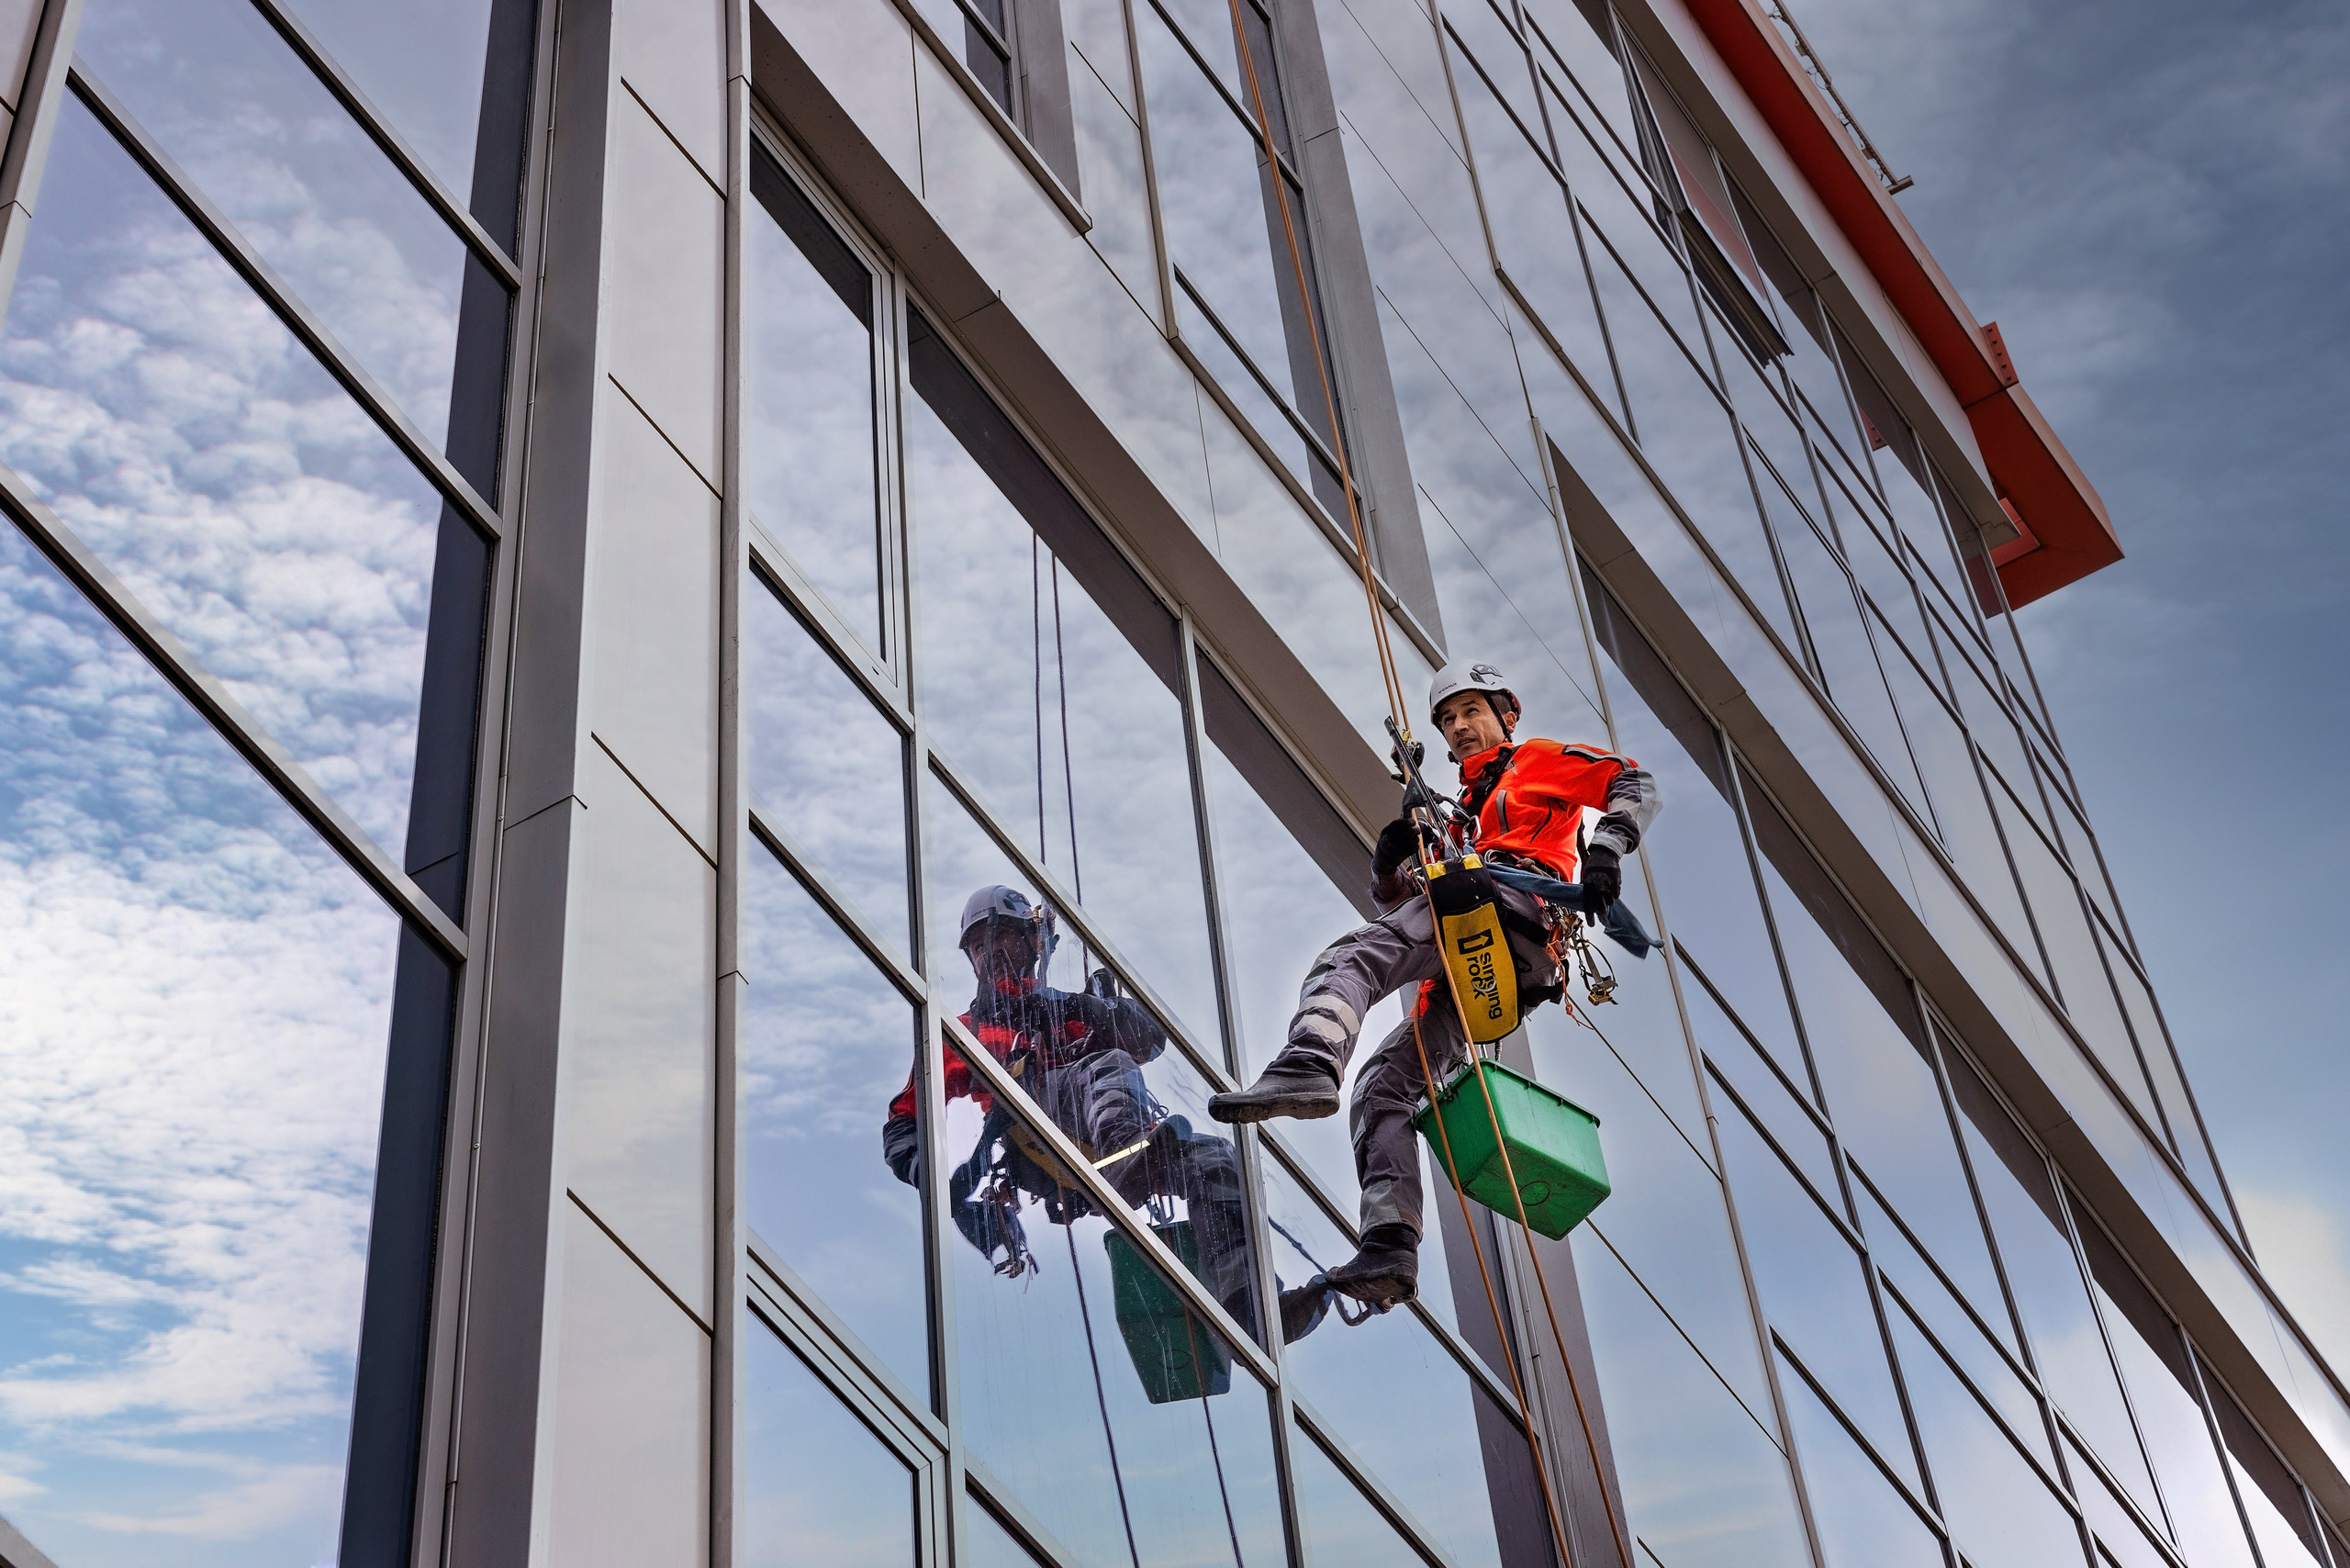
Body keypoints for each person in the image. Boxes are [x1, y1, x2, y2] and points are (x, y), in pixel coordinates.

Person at [1207, 660, 1662, 1308]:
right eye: (1449, 720)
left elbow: (1631, 780)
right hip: (1488, 957)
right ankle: (1391, 1247)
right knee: (1382, 1089)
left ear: (1507, 713)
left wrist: (1606, 850)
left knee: (1352, 959)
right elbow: (1396, 903)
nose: (1460, 728)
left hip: (1505, 905)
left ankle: (1308, 1063)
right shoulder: (1453, 818)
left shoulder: (1533, 761)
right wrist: (1390, 862)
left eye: (1471, 711)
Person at [884, 886, 1328, 1345]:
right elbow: (903, 1118)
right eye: (977, 946)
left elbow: (1151, 1039)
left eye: (999, 937)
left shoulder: (1065, 1009)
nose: (988, 952)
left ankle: (1248, 1310)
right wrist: (931, 1176)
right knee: (1107, 1067)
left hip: (1096, 1142)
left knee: (1214, 1160)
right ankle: (1128, 1153)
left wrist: (1096, 1006)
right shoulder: (968, 1033)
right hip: (1036, 1141)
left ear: (1031, 941)